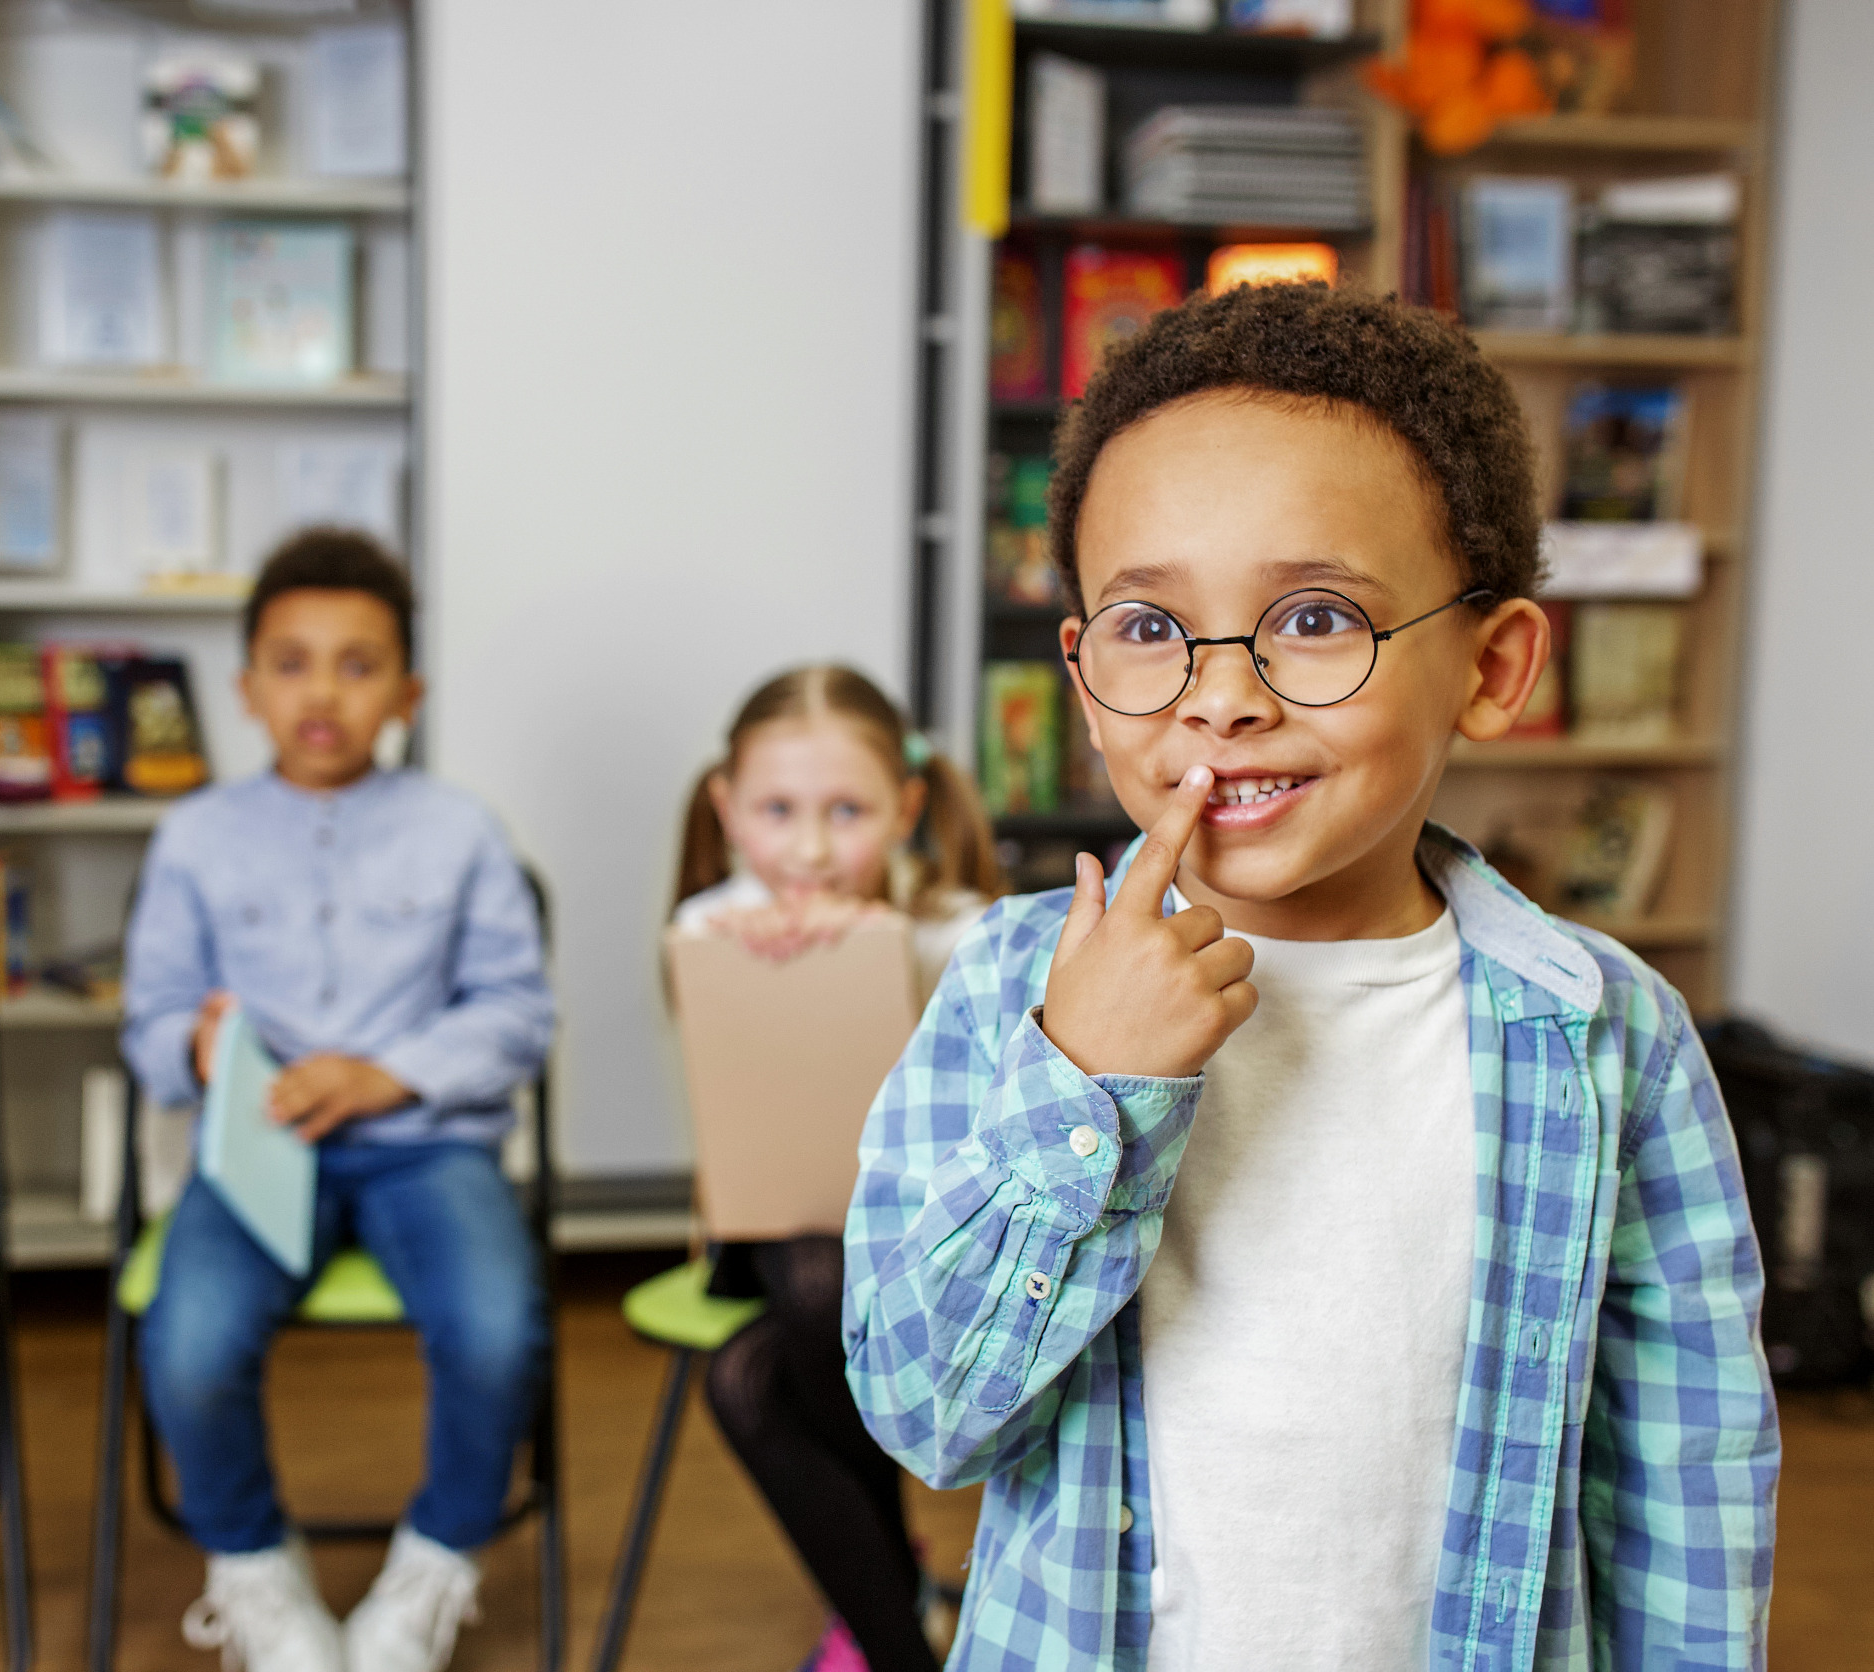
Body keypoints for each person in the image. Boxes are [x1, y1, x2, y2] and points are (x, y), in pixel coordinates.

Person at [844, 283, 1777, 1670]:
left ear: (1494, 664)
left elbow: (1688, 1478)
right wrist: (1087, 1084)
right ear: (1086, 678)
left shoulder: (1610, 1035)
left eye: (1320, 617)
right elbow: (928, 1416)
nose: (1223, 695)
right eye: (1152, 630)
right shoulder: (1008, 990)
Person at [120, 528, 555, 1672]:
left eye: (359, 665)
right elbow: (150, 1022)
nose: (324, 691)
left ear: (406, 690)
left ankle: (435, 1565)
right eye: (294, 661)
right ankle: (254, 1571)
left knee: (499, 1330)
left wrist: (389, 1072)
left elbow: (518, 1013)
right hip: (258, 1146)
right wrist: (201, 1051)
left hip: (424, 1147)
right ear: (248, 687)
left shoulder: (460, 831)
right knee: (189, 1343)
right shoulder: (195, 838)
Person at [669, 664, 1000, 1672]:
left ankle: (888, 1624)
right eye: (777, 810)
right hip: (771, 1234)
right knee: (815, 1283)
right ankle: (902, 1620)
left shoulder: (961, 925)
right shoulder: (712, 926)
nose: (810, 849)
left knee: (746, 1382)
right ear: (728, 809)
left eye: (847, 811)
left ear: (905, 808)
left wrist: (886, 952)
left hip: (922, 1238)